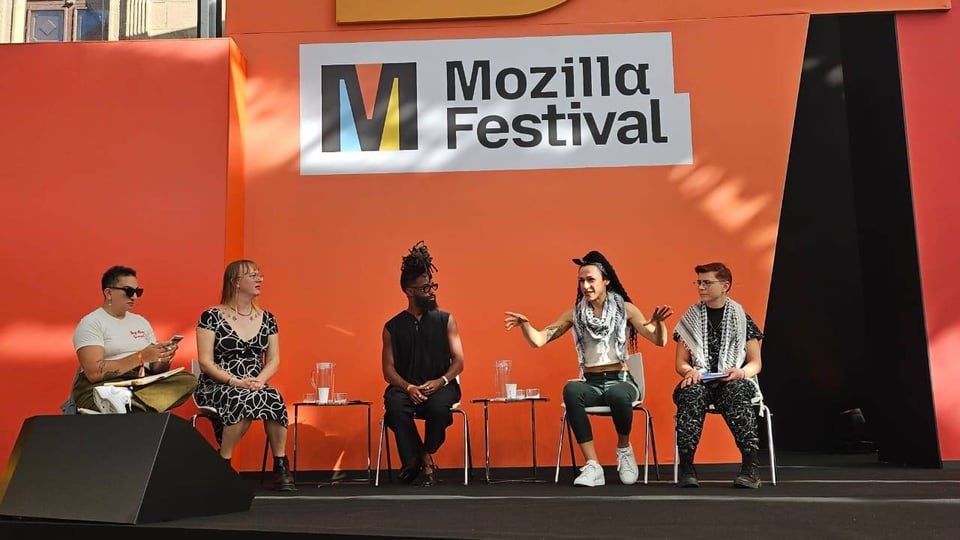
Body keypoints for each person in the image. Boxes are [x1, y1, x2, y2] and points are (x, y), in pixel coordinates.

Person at [504, 250, 672, 487]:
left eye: (590, 279)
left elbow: (659, 340)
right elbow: (539, 340)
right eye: (581, 281)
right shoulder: (575, 315)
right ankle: (593, 465)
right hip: (591, 382)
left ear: (606, 281)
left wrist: (660, 323)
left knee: (617, 394)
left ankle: (624, 449)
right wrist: (525, 325)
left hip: (621, 379)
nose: (585, 285)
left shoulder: (626, 309)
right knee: (572, 391)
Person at [194, 259, 295, 491]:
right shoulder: (211, 316)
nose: (259, 279)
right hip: (219, 383)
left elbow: (274, 360)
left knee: (274, 397)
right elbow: (205, 362)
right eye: (252, 275)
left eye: (260, 274)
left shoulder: (268, 318)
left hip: (255, 382)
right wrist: (234, 381)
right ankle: (224, 463)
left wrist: (260, 380)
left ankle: (280, 464)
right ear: (235, 282)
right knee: (242, 398)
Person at [672, 262, 765, 489]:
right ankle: (687, 468)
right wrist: (690, 371)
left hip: (732, 379)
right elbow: (681, 363)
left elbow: (756, 363)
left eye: (707, 282)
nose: (701, 287)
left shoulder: (742, 318)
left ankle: (750, 468)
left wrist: (741, 372)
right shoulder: (690, 318)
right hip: (701, 379)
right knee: (691, 392)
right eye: (699, 282)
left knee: (737, 392)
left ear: (725, 285)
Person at [381, 241, 465, 486]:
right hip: (406, 387)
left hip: (442, 384)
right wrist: (408, 387)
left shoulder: (446, 320)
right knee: (395, 404)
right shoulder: (392, 327)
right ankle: (423, 461)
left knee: (438, 408)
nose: (431, 291)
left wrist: (441, 381)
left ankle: (420, 456)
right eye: (425, 287)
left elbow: (459, 362)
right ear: (409, 291)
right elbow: (388, 369)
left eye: (432, 285)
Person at [70, 265, 197, 414]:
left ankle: (127, 403)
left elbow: (155, 369)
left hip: (141, 383)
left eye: (138, 292)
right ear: (109, 292)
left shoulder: (140, 321)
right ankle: (127, 403)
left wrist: (162, 357)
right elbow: (94, 373)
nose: (134, 297)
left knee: (187, 380)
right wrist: (140, 357)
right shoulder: (92, 322)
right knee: (115, 394)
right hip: (104, 386)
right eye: (129, 291)